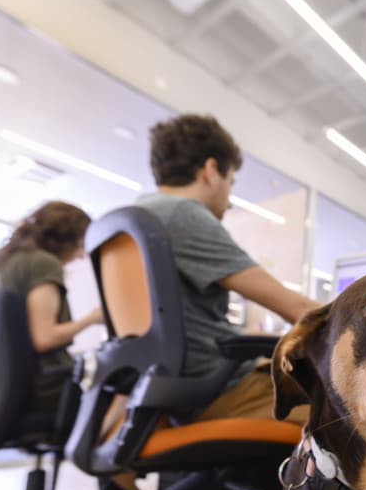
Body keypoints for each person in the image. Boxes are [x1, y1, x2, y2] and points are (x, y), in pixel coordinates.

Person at [110, 114, 320, 429]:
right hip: (219, 391)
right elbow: (300, 310)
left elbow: (186, 329)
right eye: (230, 182)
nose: (230, 200)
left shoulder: (132, 218)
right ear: (211, 171)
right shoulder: (183, 214)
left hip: (161, 389)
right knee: (349, 414)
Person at [0, 201, 103, 416]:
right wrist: (93, 317)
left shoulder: (6, 266)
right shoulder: (43, 263)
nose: (82, 255)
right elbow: (44, 338)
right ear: (66, 238)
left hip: (3, 386)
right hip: (44, 390)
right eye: (81, 244)